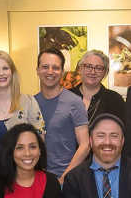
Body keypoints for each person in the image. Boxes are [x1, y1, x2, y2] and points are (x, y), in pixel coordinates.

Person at [33, 48, 90, 182]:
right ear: (37, 70)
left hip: (66, 179)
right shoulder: (31, 103)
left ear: (62, 72)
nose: (50, 72)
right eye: (45, 67)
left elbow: (85, 145)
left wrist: (64, 178)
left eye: (56, 68)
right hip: (36, 179)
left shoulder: (74, 102)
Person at [69, 49, 126, 123]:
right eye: (88, 66)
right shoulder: (65, 97)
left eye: (98, 68)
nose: (93, 72)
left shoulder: (115, 100)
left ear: (105, 72)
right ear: (80, 69)